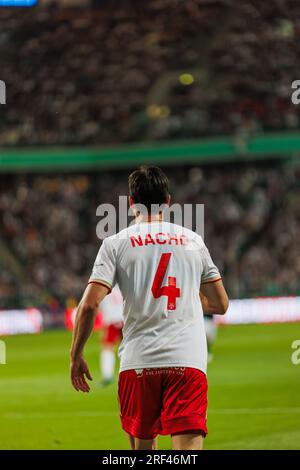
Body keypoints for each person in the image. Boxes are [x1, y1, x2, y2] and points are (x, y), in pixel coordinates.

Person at [70, 166, 229, 450]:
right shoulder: (193, 241)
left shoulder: (115, 243)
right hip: (187, 361)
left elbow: (89, 304)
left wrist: (76, 354)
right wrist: (188, 300)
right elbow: (220, 303)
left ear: (131, 203)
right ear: (168, 201)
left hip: (138, 362)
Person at [99, 285, 123, 386]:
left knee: (107, 348)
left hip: (111, 320)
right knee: (131, 346)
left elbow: (100, 306)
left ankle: (107, 376)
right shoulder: (124, 286)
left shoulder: (104, 287)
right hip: (125, 319)